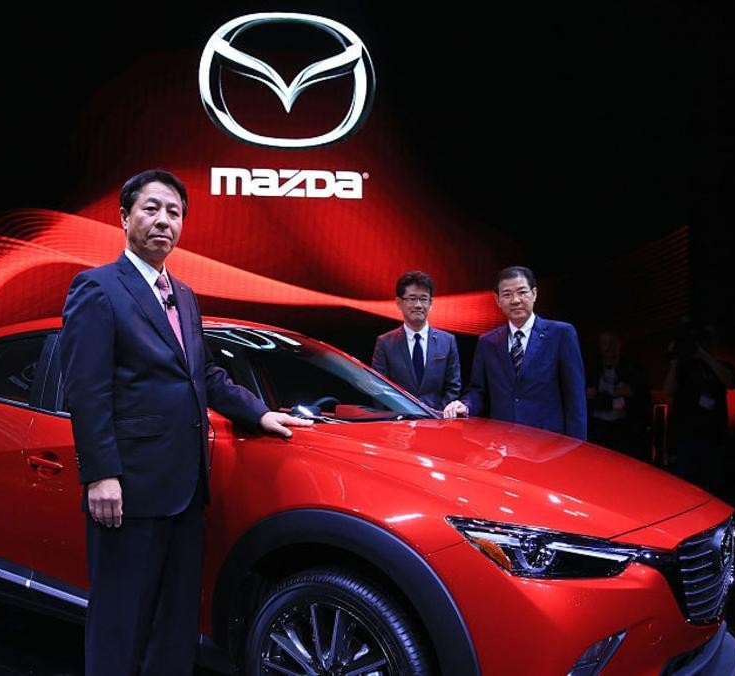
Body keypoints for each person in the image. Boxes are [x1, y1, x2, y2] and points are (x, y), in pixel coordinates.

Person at [59, 169, 311, 675]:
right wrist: (101, 473)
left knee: (175, 623)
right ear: (124, 217)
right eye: (151, 209)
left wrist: (259, 411)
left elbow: (204, 374)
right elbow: (86, 389)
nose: (163, 221)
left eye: (173, 213)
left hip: (187, 486)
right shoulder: (98, 288)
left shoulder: (186, 295)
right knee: (121, 620)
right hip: (130, 487)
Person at [444, 266, 587, 439]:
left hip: (548, 443)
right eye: (507, 295)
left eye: (522, 292)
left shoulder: (561, 334)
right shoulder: (487, 342)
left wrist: (577, 446)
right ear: (497, 300)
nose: (515, 300)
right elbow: (478, 390)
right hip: (502, 442)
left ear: (534, 294)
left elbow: (575, 397)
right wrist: (465, 406)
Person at [371, 271, 462, 412]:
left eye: (424, 299)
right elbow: (378, 390)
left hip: (437, 420)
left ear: (431, 303)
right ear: (399, 303)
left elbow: (453, 387)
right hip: (398, 422)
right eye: (412, 298)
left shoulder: (448, 341)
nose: (418, 305)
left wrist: (438, 416)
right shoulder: (385, 343)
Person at [663, 320, 734, 492]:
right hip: (687, 435)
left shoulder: (721, 366)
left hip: (714, 435)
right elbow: (668, 390)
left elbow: (731, 382)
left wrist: (706, 357)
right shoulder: (684, 367)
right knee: (685, 485)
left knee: (713, 485)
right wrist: (675, 359)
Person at [585, 330, 651, 458]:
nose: (609, 347)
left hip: (625, 431)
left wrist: (603, 398)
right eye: (605, 343)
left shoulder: (632, 370)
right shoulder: (591, 370)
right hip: (597, 431)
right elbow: (587, 401)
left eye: (613, 342)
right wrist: (615, 400)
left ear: (619, 344)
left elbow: (641, 400)